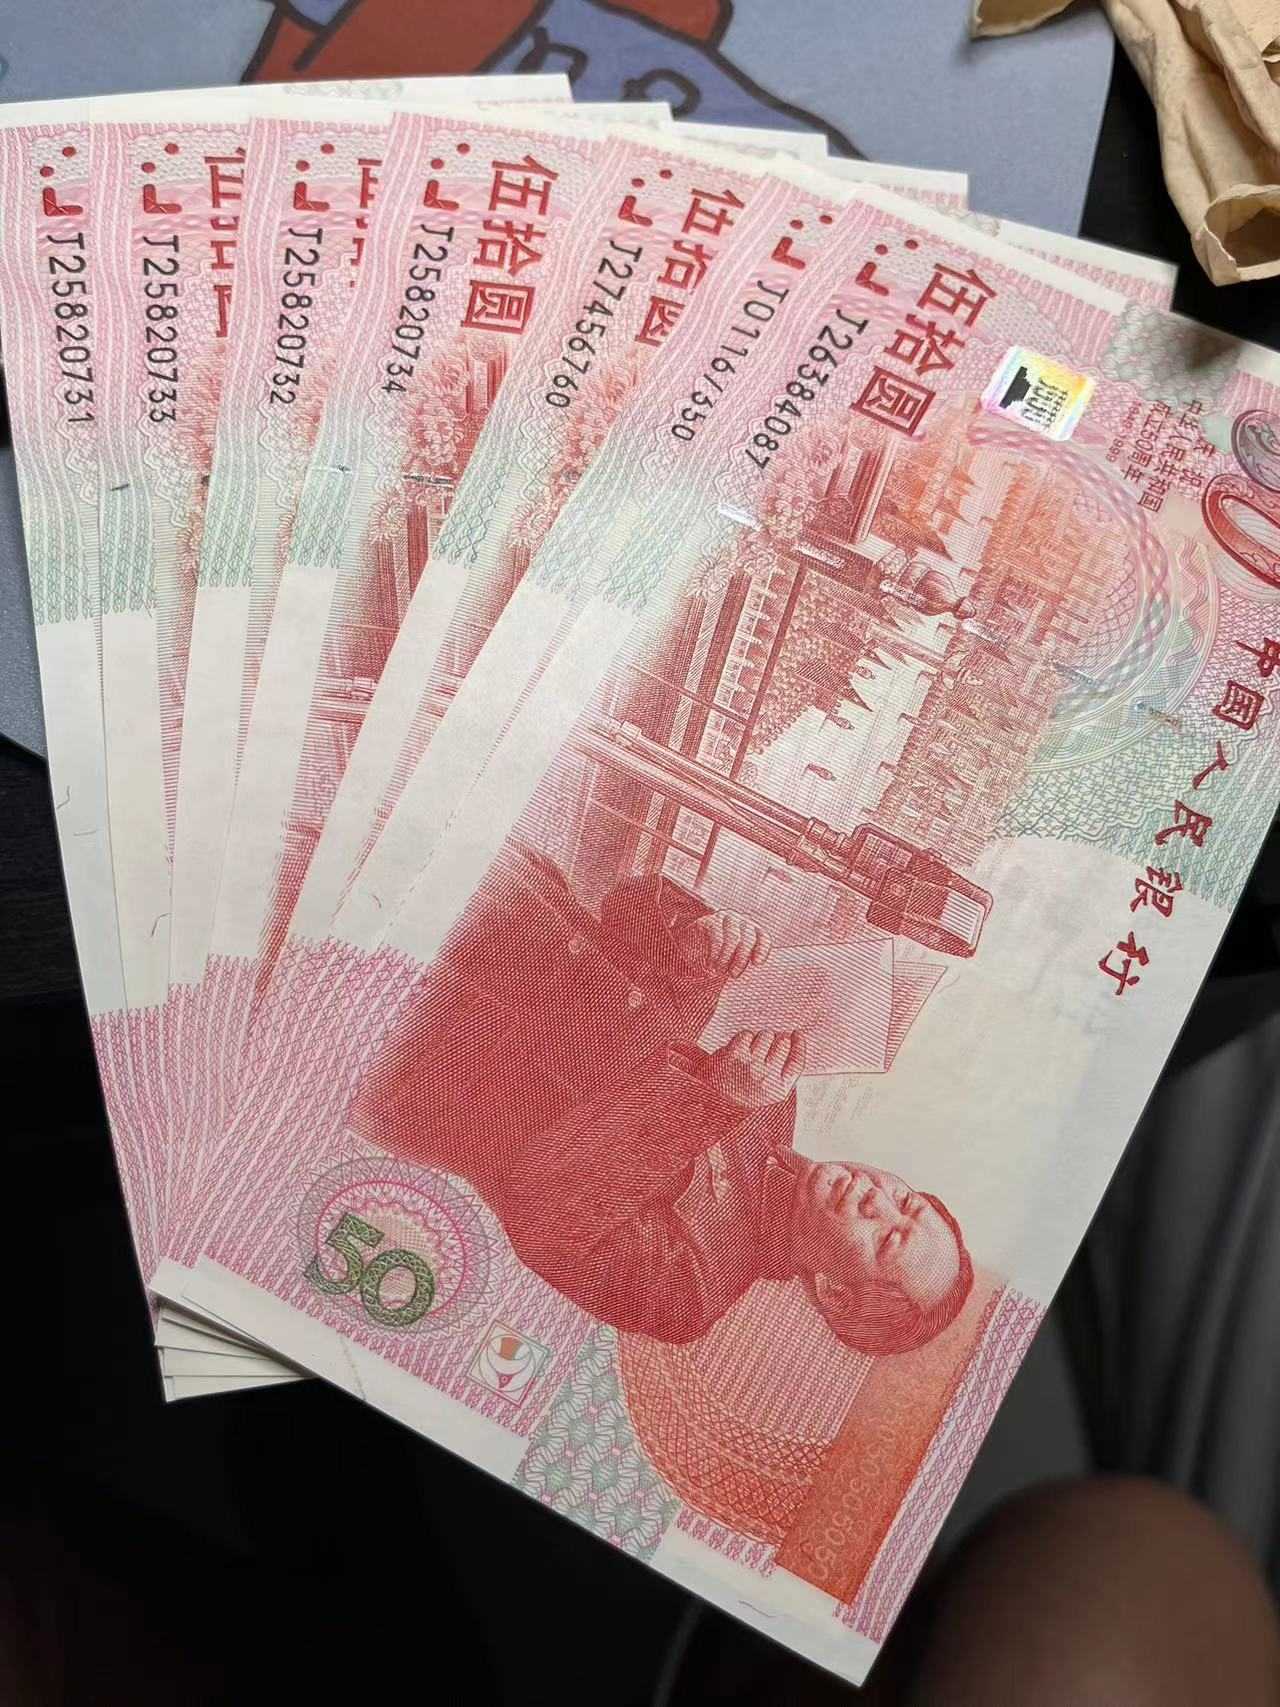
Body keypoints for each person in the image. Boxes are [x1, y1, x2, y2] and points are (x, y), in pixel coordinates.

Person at [349, 841, 971, 1350]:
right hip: (498, 890)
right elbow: (625, 906)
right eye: (906, 1202)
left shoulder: (691, 1294)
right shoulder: (776, 1103)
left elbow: (542, 1211)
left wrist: (713, 1102)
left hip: (392, 1032)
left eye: (887, 1239)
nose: (877, 1200)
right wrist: (691, 939)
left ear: (835, 1294)